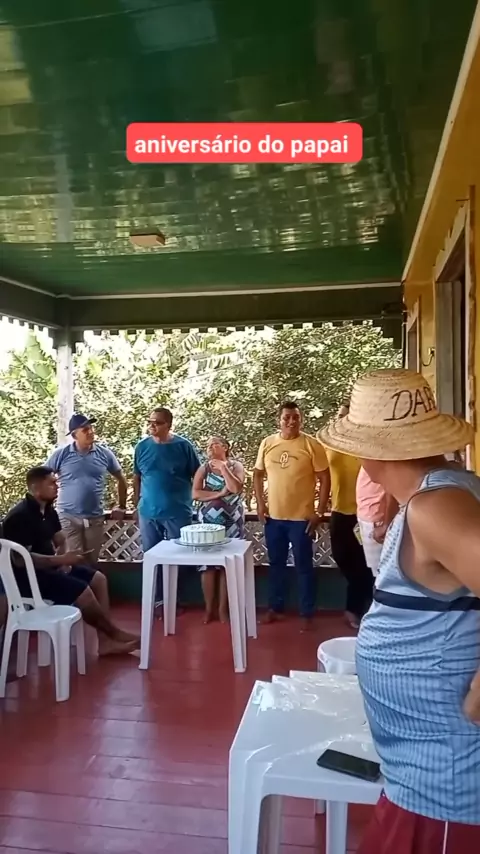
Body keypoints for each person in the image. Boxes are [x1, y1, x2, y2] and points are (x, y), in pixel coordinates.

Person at [319, 367, 480, 853]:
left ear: (372, 451)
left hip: (446, 790)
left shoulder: (436, 507)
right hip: (420, 775)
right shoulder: (440, 494)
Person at [2, 466, 139, 655]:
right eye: (51, 483)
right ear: (36, 488)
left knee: (99, 579)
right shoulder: (20, 516)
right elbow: (20, 561)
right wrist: (60, 560)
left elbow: (60, 539)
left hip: (48, 569)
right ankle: (113, 633)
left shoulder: (48, 510)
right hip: (28, 578)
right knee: (84, 592)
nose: (57, 486)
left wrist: (65, 560)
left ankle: (105, 641)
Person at [254, 400, 330, 630]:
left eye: (296, 417)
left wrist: (319, 511)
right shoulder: (268, 443)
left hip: (301, 519)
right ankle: (275, 608)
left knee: (304, 566)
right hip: (274, 518)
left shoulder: (311, 444)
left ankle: (307, 613)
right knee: (275, 564)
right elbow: (257, 474)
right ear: (279, 420)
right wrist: (260, 504)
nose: (291, 421)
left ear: (301, 419)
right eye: (286, 417)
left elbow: (325, 477)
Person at [133, 407, 200, 605]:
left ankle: (175, 600)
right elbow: (136, 477)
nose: (152, 425)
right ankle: (156, 599)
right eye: (150, 422)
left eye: (158, 422)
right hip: (148, 512)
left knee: (179, 558)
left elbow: (198, 474)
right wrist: (136, 504)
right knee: (151, 557)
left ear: (169, 425)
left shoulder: (183, 446)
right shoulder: (142, 447)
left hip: (177, 511)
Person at [318, 404, 374, 629]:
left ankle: (355, 610)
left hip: (365, 515)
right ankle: (362, 604)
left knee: (365, 564)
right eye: (340, 416)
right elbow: (317, 472)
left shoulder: (366, 446)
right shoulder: (330, 444)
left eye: (347, 416)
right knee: (343, 559)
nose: (343, 420)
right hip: (339, 513)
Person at [46, 413, 127, 564]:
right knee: (74, 559)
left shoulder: (105, 454)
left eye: (90, 428)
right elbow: (43, 478)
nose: (90, 432)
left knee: (91, 560)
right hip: (67, 516)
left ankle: (90, 580)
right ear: (74, 435)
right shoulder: (61, 455)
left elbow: (121, 479)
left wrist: (121, 505)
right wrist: (47, 506)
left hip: (94, 517)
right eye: (85, 430)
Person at [192, 436, 245, 624]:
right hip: (208, 521)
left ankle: (223, 609)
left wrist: (223, 468)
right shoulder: (204, 468)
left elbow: (235, 488)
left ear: (225, 447)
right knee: (207, 565)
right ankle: (209, 609)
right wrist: (218, 494)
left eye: (214, 444)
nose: (210, 448)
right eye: (208, 446)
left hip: (232, 521)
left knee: (227, 564)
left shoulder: (236, 466)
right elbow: (195, 493)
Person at [356, 467, 398, 577]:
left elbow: (391, 489)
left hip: (377, 520)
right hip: (370, 517)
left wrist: (386, 523)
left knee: (382, 573)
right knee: (377, 571)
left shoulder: (383, 461)